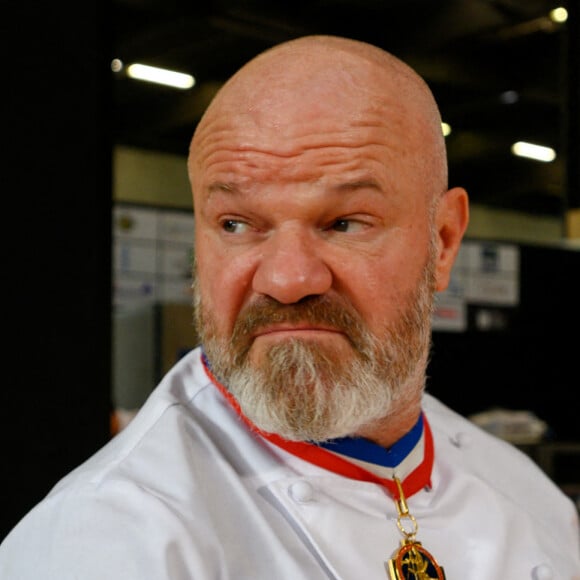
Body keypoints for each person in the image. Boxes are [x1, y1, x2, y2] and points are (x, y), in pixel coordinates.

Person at [0, 35, 578, 580]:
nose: (288, 279)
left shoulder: (528, 495)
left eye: (345, 222)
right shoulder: (107, 542)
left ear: (444, 240)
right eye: (236, 224)